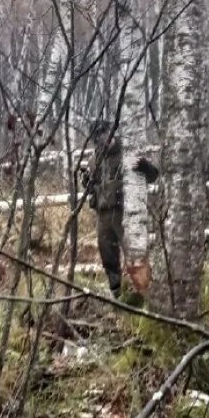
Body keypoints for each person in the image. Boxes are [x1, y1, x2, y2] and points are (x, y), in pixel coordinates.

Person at [82, 120, 159, 297]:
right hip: (103, 214)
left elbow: (153, 175)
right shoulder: (94, 160)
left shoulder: (127, 154)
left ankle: (145, 293)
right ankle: (116, 294)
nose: (106, 137)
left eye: (107, 132)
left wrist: (145, 167)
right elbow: (90, 186)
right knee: (107, 255)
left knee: (135, 253)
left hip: (125, 213)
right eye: (100, 135)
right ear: (95, 139)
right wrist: (86, 181)